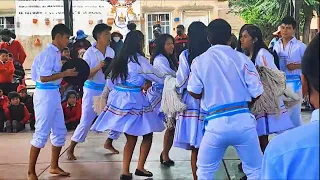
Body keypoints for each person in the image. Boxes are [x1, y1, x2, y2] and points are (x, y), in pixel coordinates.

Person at [189, 19, 263, 179]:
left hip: (215, 123)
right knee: (256, 171)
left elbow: (193, 91)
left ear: (208, 38)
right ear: (230, 38)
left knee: (204, 171)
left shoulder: (199, 61)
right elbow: (257, 91)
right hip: (243, 121)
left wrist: (210, 93)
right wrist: (243, 106)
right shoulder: (242, 59)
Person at [90, 30, 167, 180]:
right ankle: (139, 167)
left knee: (131, 137)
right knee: (147, 134)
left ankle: (126, 171)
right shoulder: (139, 60)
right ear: (139, 43)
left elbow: (110, 82)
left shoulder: (119, 58)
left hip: (119, 99)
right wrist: (171, 78)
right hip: (134, 99)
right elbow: (157, 76)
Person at [261, 33, 319, 180]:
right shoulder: (277, 45)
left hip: (291, 85)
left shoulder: (281, 150)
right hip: (287, 85)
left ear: (304, 85)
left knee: (293, 118)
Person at [28, 24, 78, 180]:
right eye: (66, 37)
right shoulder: (49, 54)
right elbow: (43, 78)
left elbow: (52, 75)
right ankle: (31, 172)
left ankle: (54, 166)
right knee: (41, 132)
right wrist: (65, 73)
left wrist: (61, 81)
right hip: (45, 95)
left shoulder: (56, 54)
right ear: (58, 36)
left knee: (59, 131)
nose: (68, 41)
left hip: (53, 93)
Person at [67, 23, 118, 161]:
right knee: (86, 120)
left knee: (118, 116)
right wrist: (99, 67)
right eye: (106, 34)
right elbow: (85, 75)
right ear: (99, 37)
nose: (109, 37)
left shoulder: (111, 51)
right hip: (91, 90)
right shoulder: (89, 53)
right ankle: (71, 148)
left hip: (107, 89)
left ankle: (109, 142)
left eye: (109, 34)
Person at [174, 21, 210, 180]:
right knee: (211, 143)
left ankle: (197, 177)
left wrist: (176, 91)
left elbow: (180, 80)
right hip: (209, 99)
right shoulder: (210, 54)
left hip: (191, 100)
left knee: (196, 145)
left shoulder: (186, 55)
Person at [147, 34, 179, 167]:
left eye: (172, 43)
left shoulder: (168, 58)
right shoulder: (160, 60)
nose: (171, 46)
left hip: (167, 94)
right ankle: (164, 154)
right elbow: (169, 74)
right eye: (168, 44)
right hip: (161, 96)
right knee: (171, 126)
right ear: (161, 45)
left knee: (172, 127)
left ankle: (165, 153)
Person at [273, 16, 307, 128]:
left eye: (288, 28)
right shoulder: (276, 45)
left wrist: (296, 65)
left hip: (295, 84)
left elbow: (311, 63)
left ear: (294, 30)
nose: (285, 30)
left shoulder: (300, 46)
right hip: (279, 84)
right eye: (283, 27)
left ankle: (298, 137)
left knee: (294, 115)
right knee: (281, 114)